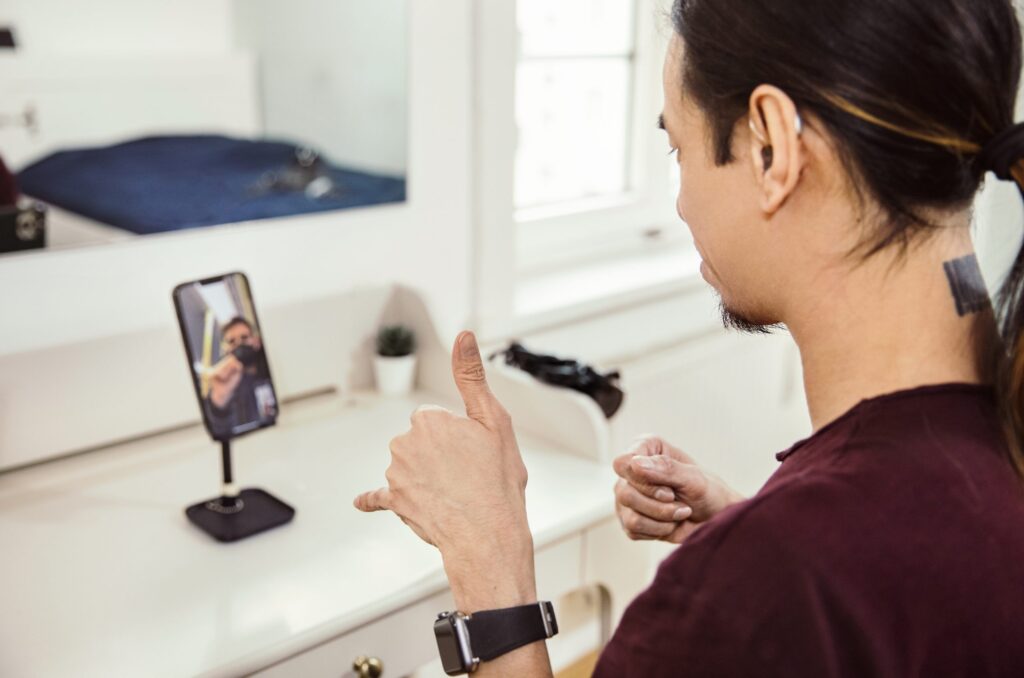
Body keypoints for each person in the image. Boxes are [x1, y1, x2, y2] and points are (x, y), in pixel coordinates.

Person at [355, 0, 1024, 674]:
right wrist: (751, 523)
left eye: (679, 147)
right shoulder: (995, 435)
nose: (679, 201)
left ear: (773, 148)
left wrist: (489, 557)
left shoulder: (750, 592)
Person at [205, 316, 275, 439]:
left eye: (244, 338)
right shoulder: (224, 384)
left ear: (256, 341)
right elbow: (222, 430)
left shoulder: (272, 371)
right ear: (225, 349)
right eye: (232, 341)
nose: (239, 344)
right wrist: (220, 403)